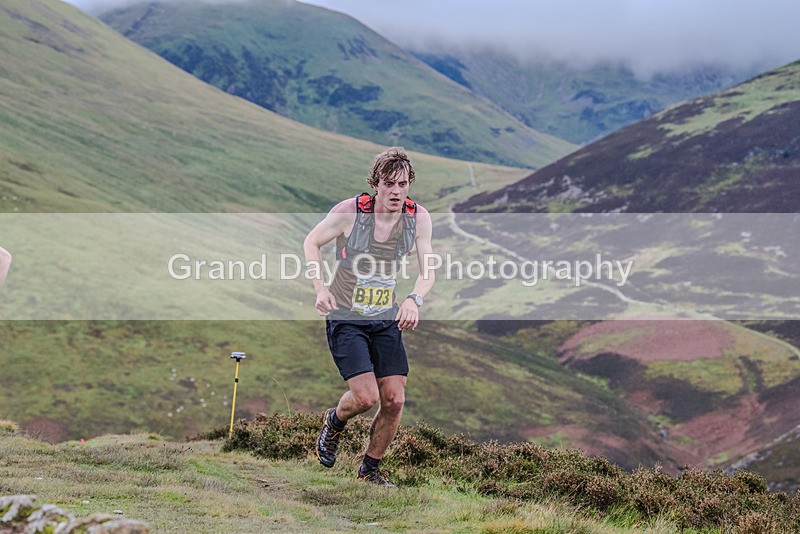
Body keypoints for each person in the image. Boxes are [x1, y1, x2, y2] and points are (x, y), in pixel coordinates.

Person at [303, 147, 435, 487]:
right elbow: (311, 242)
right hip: (346, 317)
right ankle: (334, 421)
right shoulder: (350, 212)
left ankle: (369, 471)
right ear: (375, 183)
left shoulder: (418, 218)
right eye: (389, 183)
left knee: (395, 399)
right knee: (366, 398)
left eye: (403, 184)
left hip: (385, 318)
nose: (396, 191)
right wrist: (320, 289)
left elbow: (428, 270)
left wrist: (414, 300)